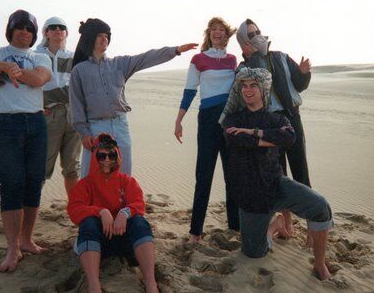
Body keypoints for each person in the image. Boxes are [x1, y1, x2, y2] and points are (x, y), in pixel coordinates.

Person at [222, 68, 333, 280]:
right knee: (254, 253)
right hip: (251, 195)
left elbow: (290, 138)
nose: (247, 90)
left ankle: (319, 263)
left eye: (253, 85)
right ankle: (275, 225)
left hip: (277, 185)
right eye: (243, 86)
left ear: (264, 88)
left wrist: (254, 133)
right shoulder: (232, 119)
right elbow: (236, 139)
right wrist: (268, 139)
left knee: (320, 206)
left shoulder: (278, 119)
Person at [69, 18, 197, 178]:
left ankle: (122, 203)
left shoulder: (120, 64)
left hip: (120, 126)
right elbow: (76, 105)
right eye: (100, 35)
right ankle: (92, 204)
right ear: (90, 38)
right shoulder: (79, 71)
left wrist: (175, 50)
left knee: (123, 173)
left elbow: (146, 58)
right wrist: (84, 133)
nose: (105, 39)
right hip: (95, 128)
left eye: (107, 36)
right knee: (92, 174)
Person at [226, 18, 313, 238]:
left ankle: (313, 227)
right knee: (279, 173)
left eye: (258, 32)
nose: (258, 36)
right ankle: (286, 223)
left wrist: (304, 73)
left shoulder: (280, 57)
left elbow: (299, 86)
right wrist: (253, 55)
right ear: (244, 41)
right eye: (251, 34)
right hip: (268, 122)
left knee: (300, 169)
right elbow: (249, 88)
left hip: (291, 118)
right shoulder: (244, 67)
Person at [0, 9, 52, 272]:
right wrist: (1, 66)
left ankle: (27, 239)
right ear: (10, 30)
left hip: (35, 122)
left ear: (34, 34)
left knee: (34, 180)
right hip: (6, 124)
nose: (24, 32)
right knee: (10, 182)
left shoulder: (40, 56)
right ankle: (13, 249)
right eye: (18, 27)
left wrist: (13, 71)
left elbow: (39, 78)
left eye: (29, 28)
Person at [174, 17, 239, 243]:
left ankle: (235, 227)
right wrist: (179, 120)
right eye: (214, 30)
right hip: (208, 120)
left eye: (222, 30)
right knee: (204, 175)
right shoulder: (198, 59)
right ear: (208, 34)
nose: (217, 33)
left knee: (233, 175)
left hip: (230, 120)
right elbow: (190, 91)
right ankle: (195, 231)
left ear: (227, 35)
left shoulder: (233, 60)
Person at [67, 134, 157, 293]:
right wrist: (101, 211)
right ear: (95, 157)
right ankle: (94, 285)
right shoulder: (85, 184)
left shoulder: (127, 181)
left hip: (124, 240)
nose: (107, 160)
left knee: (139, 222)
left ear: (118, 157)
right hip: (98, 241)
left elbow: (139, 203)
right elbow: (74, 210)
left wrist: (124, 212)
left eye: (112, 155)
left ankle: (150, 282)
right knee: (88, 222)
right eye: (102, 156)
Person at [36, 17, 81, 195]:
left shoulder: (73, 57)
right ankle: (29, 212)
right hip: (48, 115)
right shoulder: (36, 55)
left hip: (73, 114)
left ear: (66, 33)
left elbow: (80, 87)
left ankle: (76, 211)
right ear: (46, 32)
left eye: (61, 27)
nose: (57, 30)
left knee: (72, 167)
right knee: (41, 167)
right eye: (52, 27)